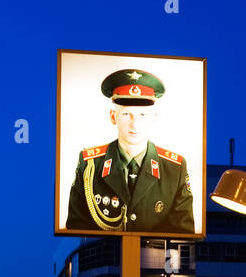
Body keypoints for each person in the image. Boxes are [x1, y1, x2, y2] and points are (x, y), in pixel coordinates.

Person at [65, 68, 195, 234]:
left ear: (154, 118)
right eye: (126, 114)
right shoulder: (89, 164)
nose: (134, 124)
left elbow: (183, 236)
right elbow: (77, 231)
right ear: (113, 116)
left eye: (142, 115)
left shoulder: (175, 168)